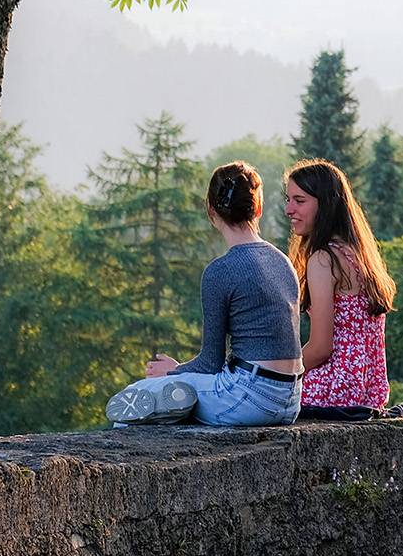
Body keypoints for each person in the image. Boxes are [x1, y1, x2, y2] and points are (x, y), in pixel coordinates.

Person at [104, 161, 303, 426]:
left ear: (211, 210)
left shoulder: (219, 271)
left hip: (249, 397)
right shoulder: (282, 261)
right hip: (291, 400)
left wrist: (173, 369)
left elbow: (210, 362)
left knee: (134, 399)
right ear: (258, 207)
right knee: (174, 392)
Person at [283, 159, 396, 409]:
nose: (289, 210)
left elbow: (322, 347)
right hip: (370, 391)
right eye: (288, 200)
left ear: (325, 205)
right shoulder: (358, 256)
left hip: (336, 389)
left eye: (299, 201)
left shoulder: (324, 260)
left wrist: (283, 370)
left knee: (258, 395)